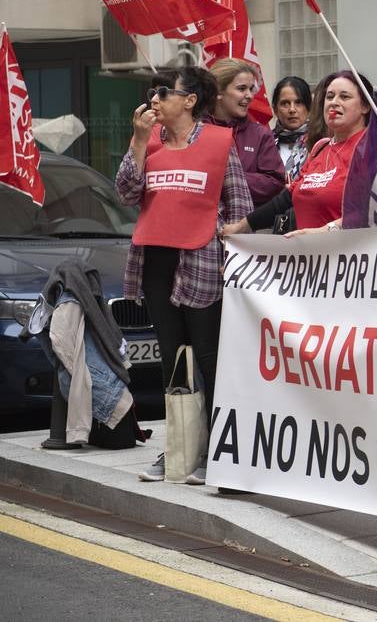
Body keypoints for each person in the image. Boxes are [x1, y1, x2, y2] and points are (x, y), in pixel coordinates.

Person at [116, 66, 253, 485]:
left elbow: (240, 206)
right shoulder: (149, 140)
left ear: (190, 100)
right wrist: (139, 141)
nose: (153, 99)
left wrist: (223, 234)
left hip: (202, 262)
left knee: (209, 359)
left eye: (163, 92)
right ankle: (178, 448)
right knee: (172, 359)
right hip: (156, 260)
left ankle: (217, 451)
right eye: (152, 93)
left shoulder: (218, 141)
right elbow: (125, 191)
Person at [226, 71, 377, 236]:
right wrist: (239, 227)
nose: (334, 102)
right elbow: (287, 199)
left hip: (351, 262)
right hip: (310, 262)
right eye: (330, 96)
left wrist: (324, 231)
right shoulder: (320, 148)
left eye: (344, 97)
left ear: (365, 106)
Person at [206, 58, 286, 208]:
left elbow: (274, 182)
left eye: (251, 89)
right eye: (242, 89)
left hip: (246, 226)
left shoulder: (260, 134)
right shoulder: (195, 130)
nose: (249, 95)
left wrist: (227, 178)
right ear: (218, 92)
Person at [271, 75, 311, 180]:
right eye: (285, 103)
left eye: (299, 103)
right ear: (275, 109)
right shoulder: (265, 142)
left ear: (309, 107)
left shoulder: (320, 142)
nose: (292, 109)